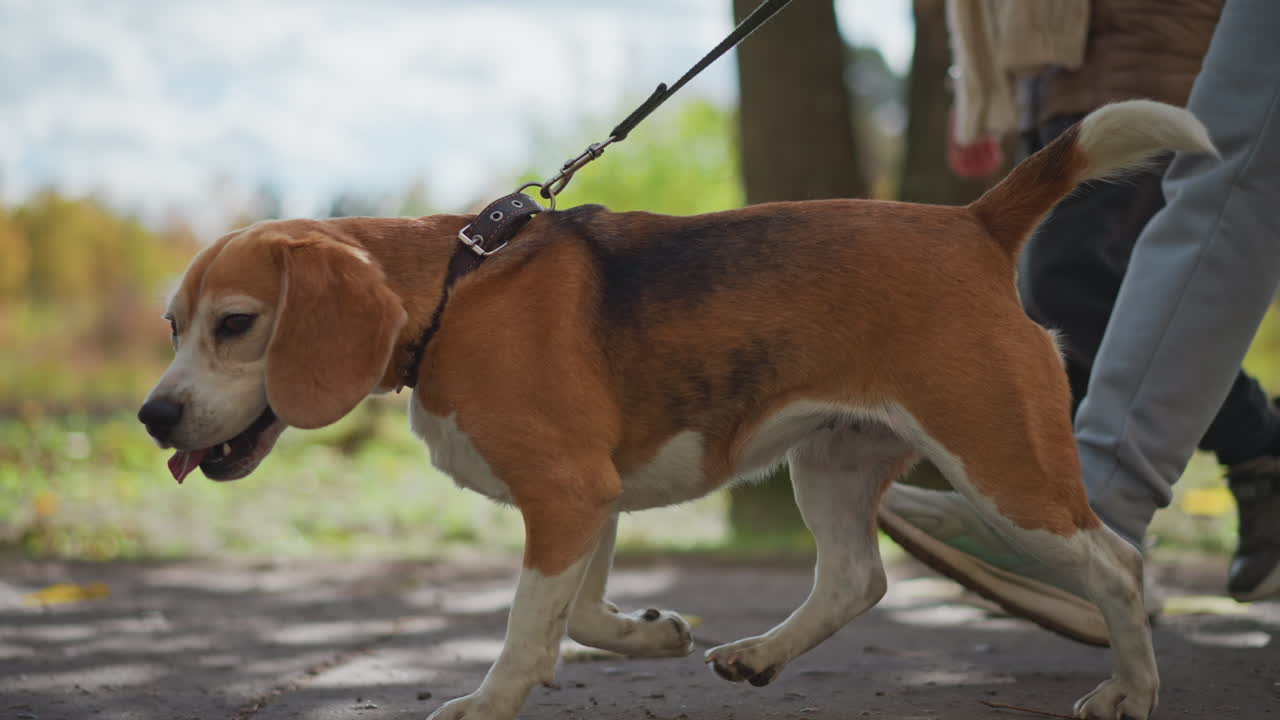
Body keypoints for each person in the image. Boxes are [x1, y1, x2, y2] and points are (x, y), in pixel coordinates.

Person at [880, 0, 1280, 646]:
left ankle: (1095, 524)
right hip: (1059, 63)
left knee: (1076, 273)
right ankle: (1109, 523)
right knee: (1073, 295)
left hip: (1151, 39)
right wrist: (981, 82)